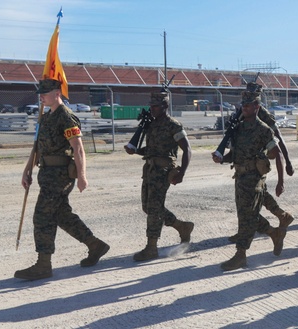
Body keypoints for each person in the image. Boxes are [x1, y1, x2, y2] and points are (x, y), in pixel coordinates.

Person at [15, 78, 111, 281]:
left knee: (42, 216)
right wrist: (27, 171)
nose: (41, 96)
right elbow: (38, 148)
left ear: (57, 93)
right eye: (40, 93)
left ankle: (43, 265)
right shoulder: (46, 117)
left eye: (45, 93)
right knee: (61, 215)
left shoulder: (66, 116)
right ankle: (95, 245)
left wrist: (83, 176)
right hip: (46, 174)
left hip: (60, 176)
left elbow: (78, 148)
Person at [212, 84, 287, 271]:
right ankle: (274, 233)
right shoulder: (237, 128)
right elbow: (234, 154)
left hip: (255, 179)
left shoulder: (263, 130)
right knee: (246, 215)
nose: (244, 108)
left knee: (247, 217)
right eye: (243, 105)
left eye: (249, 105)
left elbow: (276, 154)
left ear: (257, 107)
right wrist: (221, 158)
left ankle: (240, 255)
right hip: (239, 177)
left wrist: (280, 181)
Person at [124, 90, 194, 262]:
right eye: (151, 106)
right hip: (149, 170)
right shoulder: (152, 125)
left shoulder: (173, 125)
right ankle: (182, 226)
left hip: (163, 172)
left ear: (165, 106)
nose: (152, 109)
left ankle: (151, 247)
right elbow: (151, 150)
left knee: (154, 208)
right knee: (148, 207)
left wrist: (182, 172)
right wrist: (135, 150)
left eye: (156, 106)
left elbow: (187, 149)